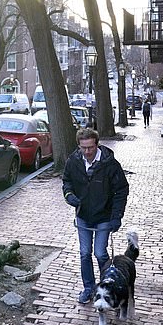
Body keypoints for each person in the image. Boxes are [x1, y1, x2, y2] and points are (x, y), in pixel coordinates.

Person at [62, 128, 129, 303]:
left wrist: (117, 216)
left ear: (97, 144)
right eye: (83, 148)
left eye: (90, 147)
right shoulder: (73, 161)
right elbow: (66, 181)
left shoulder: (110, 164)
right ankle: (89, 288)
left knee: (100, 253)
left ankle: (107, 285)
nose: (87, 152)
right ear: (79, 146)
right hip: (83, 216)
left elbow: (121, 190)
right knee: (85, 253)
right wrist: (69, 196)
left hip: (104, 216)